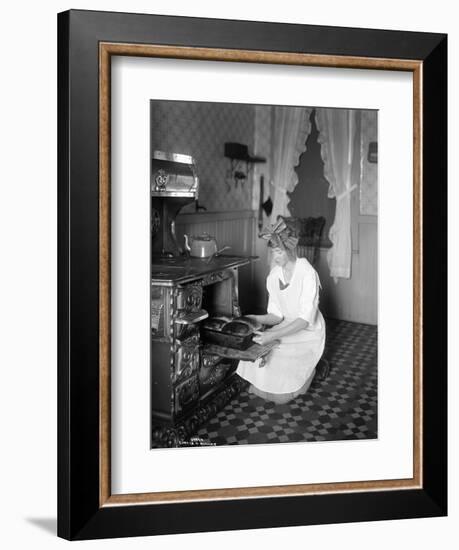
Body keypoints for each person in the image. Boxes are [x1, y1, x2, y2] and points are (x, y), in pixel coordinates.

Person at [236, 218, 326, 405]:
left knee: (281, 383)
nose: (274, 258)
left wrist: (273, 335)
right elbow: (276, 315)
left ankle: (311, 372)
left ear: (290, 250)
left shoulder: (307, 273)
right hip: (286, 325)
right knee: (259, 352)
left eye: (278, 252)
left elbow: (304, 320)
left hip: (308, 330)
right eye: (272, 252)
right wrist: (252, 318)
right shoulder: (274, 275)